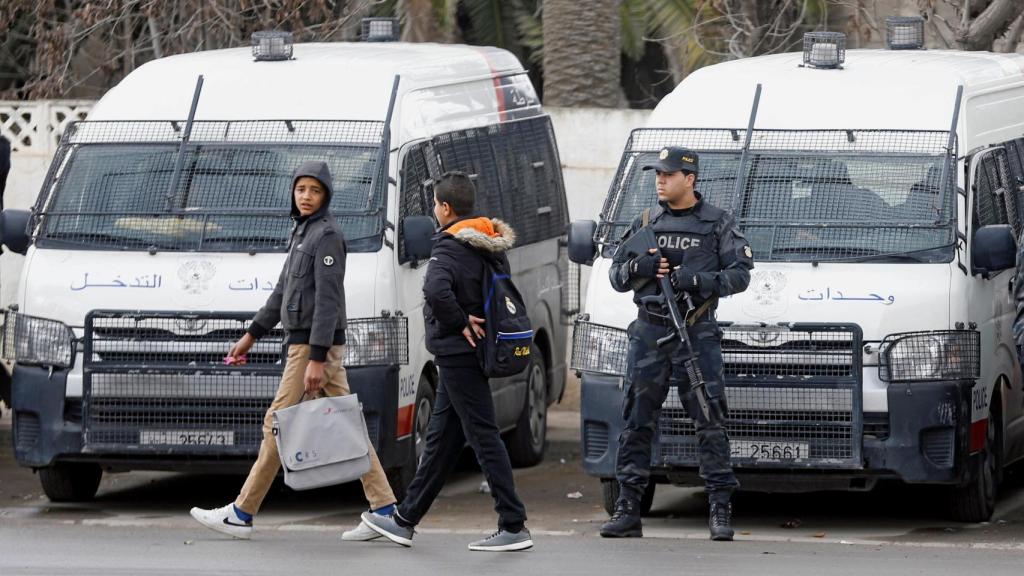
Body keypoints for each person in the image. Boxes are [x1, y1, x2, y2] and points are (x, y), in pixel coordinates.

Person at [189, 160, 397, 540]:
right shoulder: (303, 232)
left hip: (312, 349)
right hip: (309, 346)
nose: (306, 196)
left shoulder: (327, 236)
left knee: (276, 423)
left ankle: (241, 512)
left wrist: (316, 358)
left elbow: (329, 301)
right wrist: (251, 335)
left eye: (314, 191)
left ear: (326, 196)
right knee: (348, 426)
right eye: (301, 189)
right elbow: (282, 292)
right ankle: (385, 510)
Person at [361, 171, 532, 552]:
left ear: (445, 208)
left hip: (458, 354)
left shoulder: (449, 247)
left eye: (436, 205)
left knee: (484, 436)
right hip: (473, 352)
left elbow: (436, 290)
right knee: (441, 441)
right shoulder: (487, 242)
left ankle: (513, 523)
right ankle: (405, 519)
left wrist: (458, 322)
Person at [600, 147, 753, 541]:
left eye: (668, 175)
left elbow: (740, 275)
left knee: (709, 418)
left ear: (690, 179)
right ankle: (628, 507)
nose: (660, 181)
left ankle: (719, 508)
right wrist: (639, 267)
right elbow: (616, 275)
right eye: (658, 175)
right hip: (649, 331)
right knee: (636, 420)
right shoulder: (646, 221)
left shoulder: (717, 223)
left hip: (695, 331)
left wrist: (697, 281)